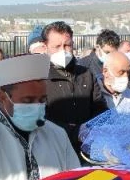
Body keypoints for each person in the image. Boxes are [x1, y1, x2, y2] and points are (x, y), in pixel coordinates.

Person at [42, 21, 105, 153]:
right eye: (57, 46)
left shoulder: (86, 73)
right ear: (45, 47)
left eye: (67, 45)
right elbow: (42, 118)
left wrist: (91, 129)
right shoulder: (39, 78)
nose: (63, 50)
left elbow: (99, 107)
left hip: (88, 147)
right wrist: (74, 131)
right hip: (55, 149)